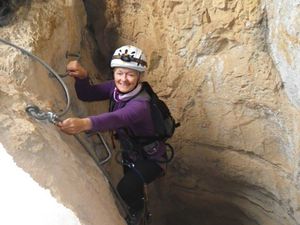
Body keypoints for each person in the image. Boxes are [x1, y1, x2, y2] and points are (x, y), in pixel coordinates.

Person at [58, 45, 166, 225]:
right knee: (134, 189)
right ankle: (138, 209)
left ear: (139, 77)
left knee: (125, 188)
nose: (124, 79)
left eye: (131, 74)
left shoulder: (140, 105)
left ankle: (137, 215)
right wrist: (83, 77)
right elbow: (87, 94)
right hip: (131, 153)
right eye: (120, 73)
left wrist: (85, 123)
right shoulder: (114, 89)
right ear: (114, 73)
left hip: (152, 160)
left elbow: (116, 118)